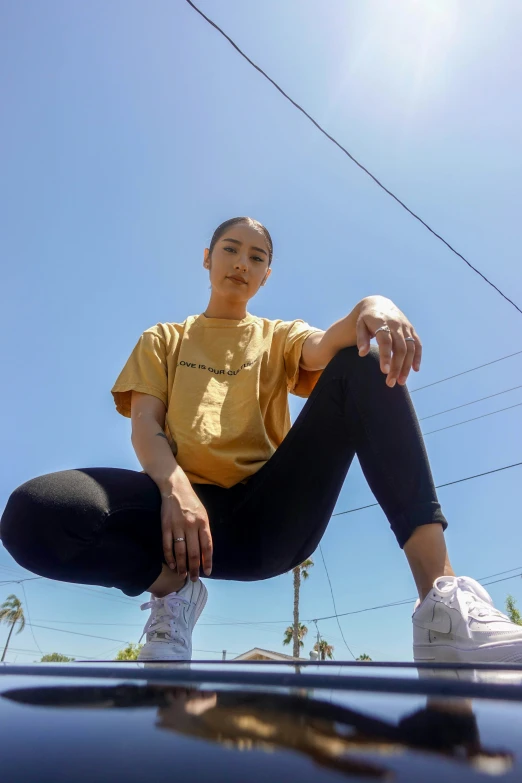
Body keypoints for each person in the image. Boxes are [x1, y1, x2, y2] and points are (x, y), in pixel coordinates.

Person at [1, 216, 521, 663]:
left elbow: (326, 344)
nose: (241, 263)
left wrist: (374, 303)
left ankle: (441, 605)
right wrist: (175, 489)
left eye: (257, 257)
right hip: (178, 524)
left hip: (266, 521)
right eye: (230, 249)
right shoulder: (164, 339)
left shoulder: (276, 335)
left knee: (358, 363)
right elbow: (145, 424)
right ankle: (172, 594)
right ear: (207, 258)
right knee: (33, 513)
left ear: (265, 275)